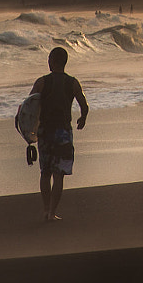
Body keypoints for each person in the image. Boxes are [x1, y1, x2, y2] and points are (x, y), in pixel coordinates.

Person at [30, 46, 88, 221]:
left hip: (45, 132)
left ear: (52, 61)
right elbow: (83, 105)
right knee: (58, 174)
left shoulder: (42, 82)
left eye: (49, 59)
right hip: (63, 133)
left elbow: (28, 105)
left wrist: (28, 128)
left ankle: (46, 209)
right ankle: (53, 212)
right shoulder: (72, 83)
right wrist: (82, 118)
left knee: (45, 173)